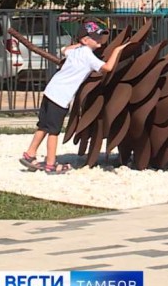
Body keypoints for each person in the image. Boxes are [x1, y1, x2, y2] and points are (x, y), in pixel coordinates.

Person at [19, 21, 129, 174]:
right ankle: (50, 164)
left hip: (50, 91)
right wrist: (117, 50)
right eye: (95, 38)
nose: (99, 40)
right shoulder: (88, 56)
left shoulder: (76, 52)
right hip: (60, 97)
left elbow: (65, 49)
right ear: (85, 40)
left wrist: (80, 44)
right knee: (54, 131)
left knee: (43, 125)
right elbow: (107, 68)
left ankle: (30, 154)